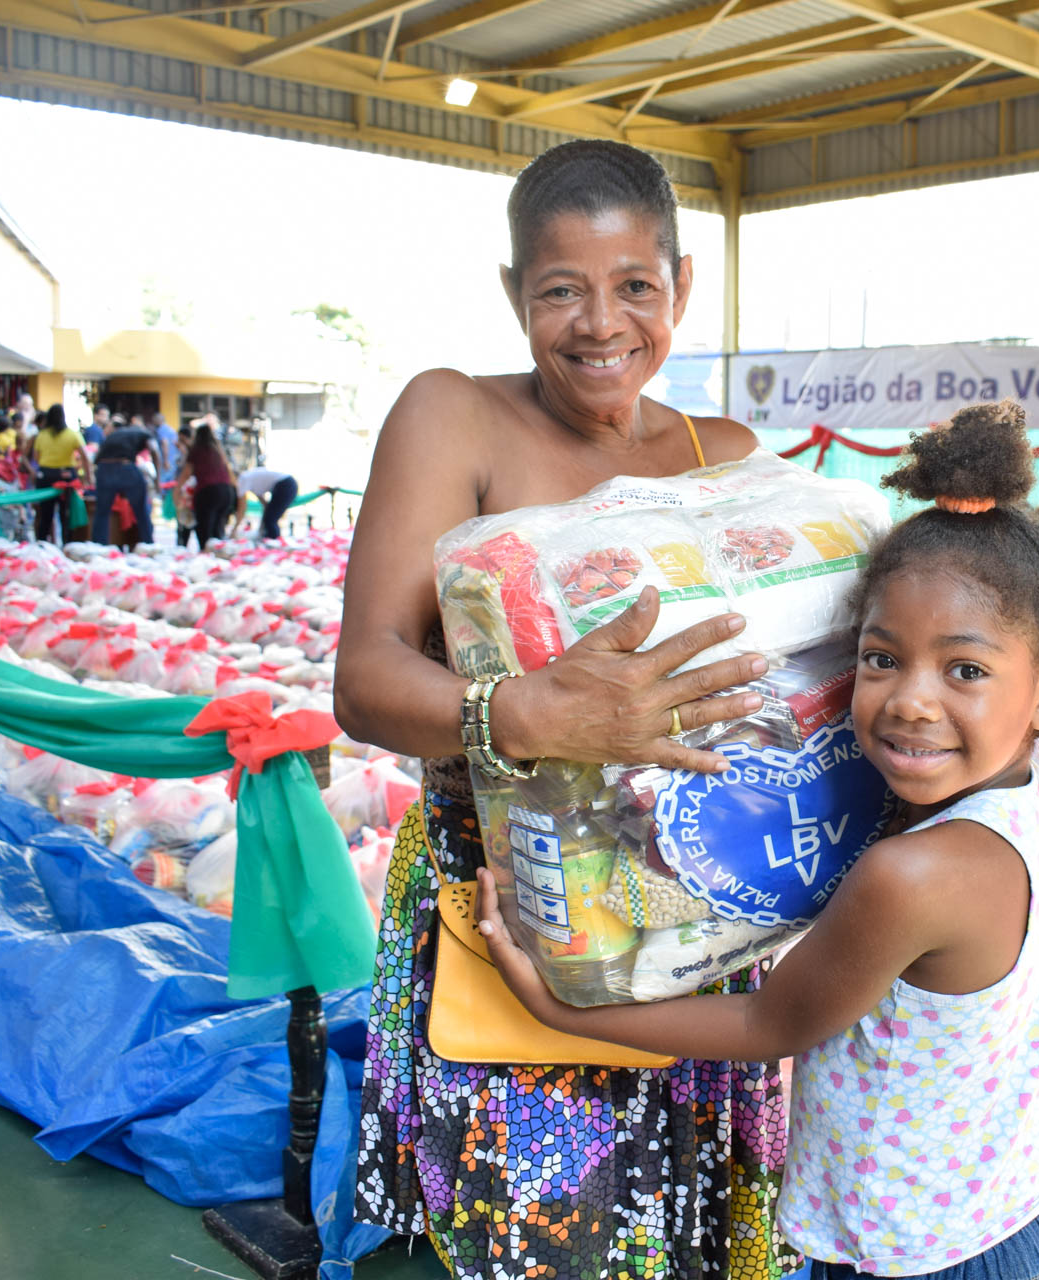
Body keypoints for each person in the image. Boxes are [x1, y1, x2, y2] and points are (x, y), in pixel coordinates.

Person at [473, 403, 1039, 1280]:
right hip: (1006, 1220)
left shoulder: (916, 873)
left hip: (917, 1263)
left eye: (965, 670)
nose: (910, 699)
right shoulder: (1015, 801)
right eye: (879, 658)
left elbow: (767, 1018)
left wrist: (557, 1008)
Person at [338, 138, 791, 1280]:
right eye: (561, 290)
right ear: (513, 294)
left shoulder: (726, 457)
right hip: (509, 901)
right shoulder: (455, 419)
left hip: (698, 912)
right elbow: (367, 677)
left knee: (679, 1228)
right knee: (536, 1228)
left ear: (681, 287)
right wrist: (531, 715)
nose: (601, 323)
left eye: (636, 284)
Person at [30, 403, 93, 543]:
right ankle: (68, 544)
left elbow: (36, 457)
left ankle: (42, 545)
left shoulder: (42, 435)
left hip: (45, 476)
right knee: (66, 515)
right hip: (66, 478)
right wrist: (88, 477)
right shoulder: (72, 434)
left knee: (45, 515)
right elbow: (85, 457)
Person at [92, 414, 156, 546]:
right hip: (125, 468)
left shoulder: (114, 436)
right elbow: (155, 451)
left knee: (102, 512)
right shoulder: (144, 433)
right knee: (141, 511)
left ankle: (99, 547)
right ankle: (148, 544)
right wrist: (157, 480)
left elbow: (96, 459)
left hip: (104, 469)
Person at [178, 419, 237, 549]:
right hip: (226, 492)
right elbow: (228, 469)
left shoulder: (197, 450)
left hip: (208, 492)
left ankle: (206, 554)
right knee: (217, 527)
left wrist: (177, 491)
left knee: (204, 528)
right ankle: (217, 555)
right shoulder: (217, 449)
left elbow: (186, 473)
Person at [0, 411, 30, 541]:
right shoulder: (11, 448)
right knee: (17, 508)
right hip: (9, 482)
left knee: (17, 508)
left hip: (5, 480)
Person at [237, 465, 298, 540]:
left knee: (270, 520)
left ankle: (274, 541)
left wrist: (234, 529)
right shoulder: (250, 479)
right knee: (269, 518)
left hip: (285, 484)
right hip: (287, 483)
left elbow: (242, 507)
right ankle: (270, 539)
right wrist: (260, 530)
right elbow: (265, 504)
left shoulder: (243, 479)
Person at [151, 409, 178, 476]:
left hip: (166, 462)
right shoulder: (170, 428)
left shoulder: (161, 430)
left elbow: (165, 444)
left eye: (154, 420)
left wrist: (166, 461)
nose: (153, 422)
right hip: (173, 460)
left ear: (158, 420)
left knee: (164, 483)